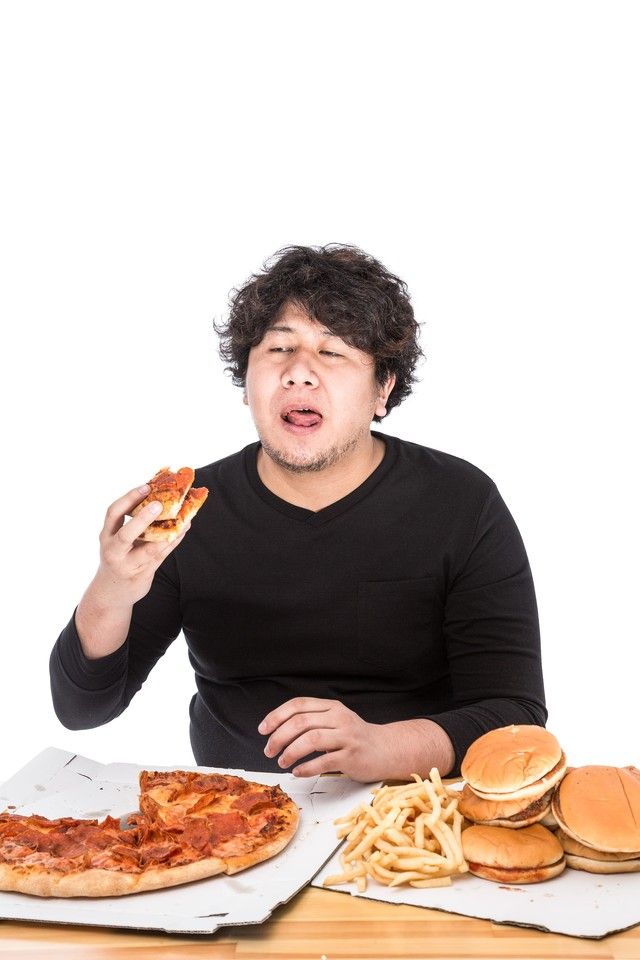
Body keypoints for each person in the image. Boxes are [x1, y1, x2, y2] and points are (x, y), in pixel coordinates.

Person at [50, 244, 546, 782]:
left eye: (332, 352)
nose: (299, 373)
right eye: (279, 347)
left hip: (410, 810)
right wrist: (113, 586)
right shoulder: (188, 514)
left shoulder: (461, 502)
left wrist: (382, 747)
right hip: (224, 812)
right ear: (246, 382)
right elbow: (82, 710)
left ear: (382, 389)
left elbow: (516, 719)